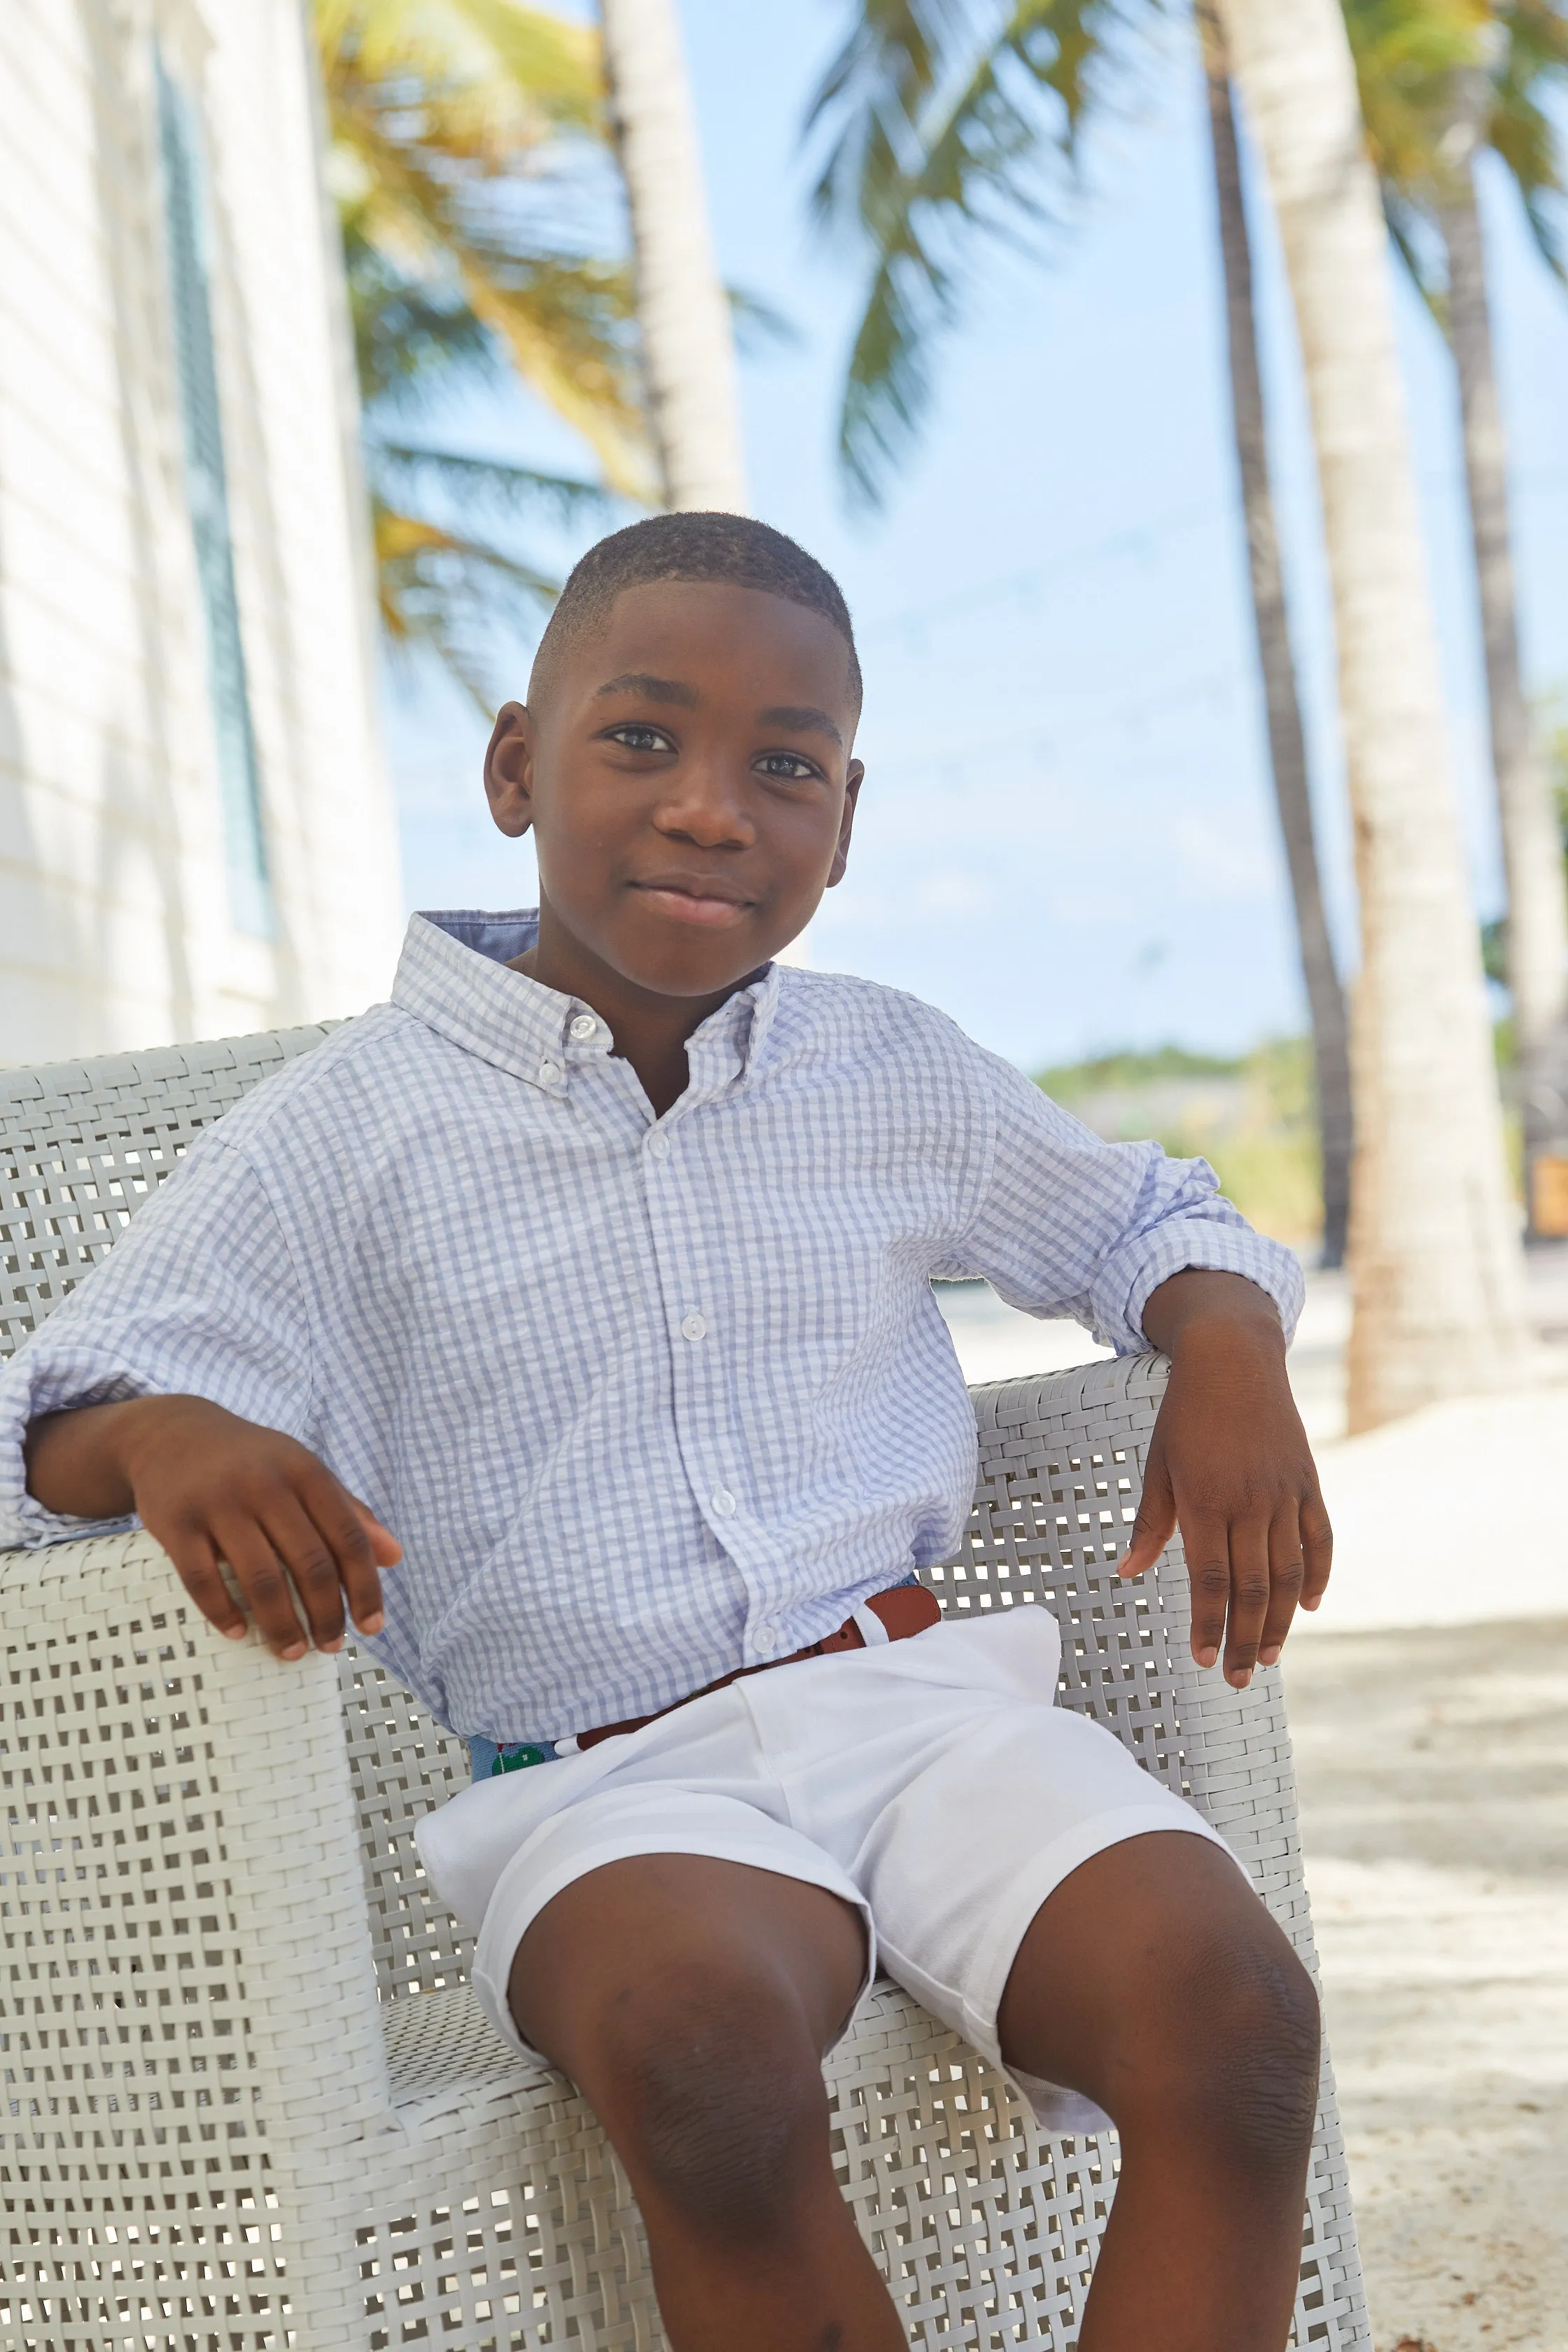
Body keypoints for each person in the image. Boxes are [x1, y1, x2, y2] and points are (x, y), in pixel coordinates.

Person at [1, 514, 1332, 2352]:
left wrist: (1231, 1349)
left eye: (783, 767)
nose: (712, 807)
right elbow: (45, 1427)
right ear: (509, 766)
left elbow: (1146, 1223)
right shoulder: (346, 1133)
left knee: (1240, 2026)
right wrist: (161, 1441)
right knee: (704, 2071)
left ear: (843, 828)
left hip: (934, 1717)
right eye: (640, 739)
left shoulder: (891, 1069)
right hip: (604, 1791)